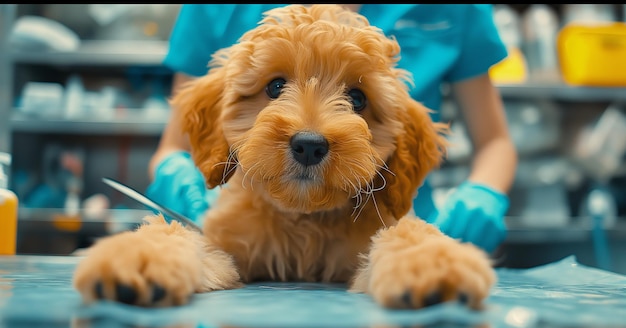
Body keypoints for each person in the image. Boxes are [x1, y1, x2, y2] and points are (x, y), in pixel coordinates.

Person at [146, 4, 518, 254]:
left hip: (379, 226)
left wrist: (484, 191)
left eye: (355, 100)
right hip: (246, 224)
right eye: (277, 89)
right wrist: (175, 170)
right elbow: (177, 139)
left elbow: (495, 141)